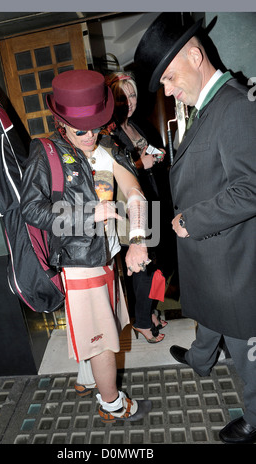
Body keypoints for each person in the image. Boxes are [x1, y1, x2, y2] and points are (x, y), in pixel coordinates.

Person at [135, 12, 256, 443]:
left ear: (194, 54)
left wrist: (191, 219)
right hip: (211, 255)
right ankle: (202, 359)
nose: (168, 90)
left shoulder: (236, 105)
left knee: (246, 350)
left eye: (168, 78)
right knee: (208, 314)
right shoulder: (209, 104)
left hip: (231, 261)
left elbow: (251, 188)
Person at [20, 69, 152, 423]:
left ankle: (85, 377)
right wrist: (88, 213)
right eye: (82, 129)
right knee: (104, 340)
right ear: (61, 122)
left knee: (102, 326)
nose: (91, 134)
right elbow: (31, 210)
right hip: (79, 263)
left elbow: (136, 194)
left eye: (97, 124)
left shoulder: (106, 144)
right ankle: (111, 403)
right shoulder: (45, 152)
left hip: (107, 256)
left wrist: (139, 240)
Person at [105, 71, 167, 344]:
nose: (129, 101)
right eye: (122, 96)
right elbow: (115, 173)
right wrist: (143, 164)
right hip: (130, 211)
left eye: (132, 95)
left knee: (157, 265)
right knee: (140, 268)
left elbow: (147, 152)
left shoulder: (133, 125)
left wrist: (156, 154)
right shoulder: (109, 132)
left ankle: (150, 312)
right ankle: (141, 321)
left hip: (151, 202)